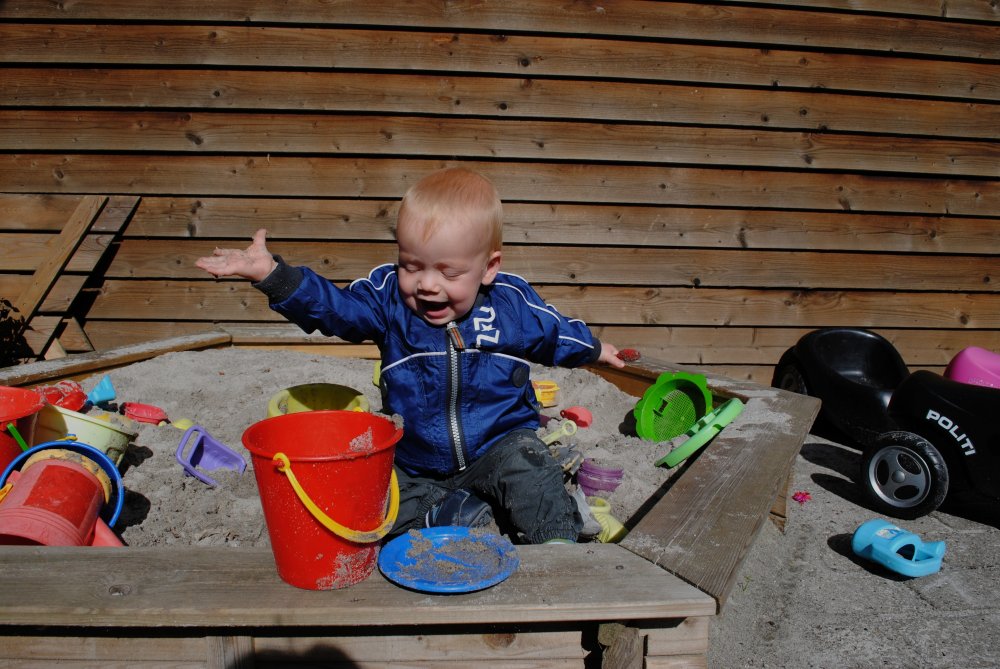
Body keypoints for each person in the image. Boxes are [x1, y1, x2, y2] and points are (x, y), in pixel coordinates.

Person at [196, 167, 625, 544]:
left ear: (488, 267)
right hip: (417, 460)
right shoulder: (388, 301)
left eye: (448, 272)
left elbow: (552, 332)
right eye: (411, 265)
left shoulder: (509, 304)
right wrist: (275, 277)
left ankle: (557, 544)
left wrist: (593, 349)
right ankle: (455, 513)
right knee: (375, 509)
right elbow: (337, 310)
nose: (427, 285)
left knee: (532, 472)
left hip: (499, 444)